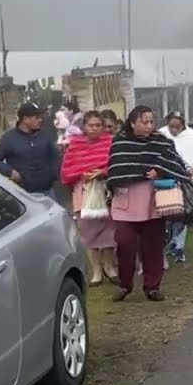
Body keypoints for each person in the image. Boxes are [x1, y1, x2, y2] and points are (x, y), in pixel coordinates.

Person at [107, 105, 191, 302]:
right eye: (144, 122)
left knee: (153, 245)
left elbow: (174, 164)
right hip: (125, 201)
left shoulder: (161, 142)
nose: (149, 126)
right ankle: (125, 284)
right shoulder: (120, 141)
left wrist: (159, 171)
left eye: (152, 122)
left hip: (153, 200)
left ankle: (152, 286)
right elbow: (116, 169)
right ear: (132, 122)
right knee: (125, 243)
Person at [59, 110, 116, 285]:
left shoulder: (111, 143)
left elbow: (116, 165)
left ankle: (109, 267)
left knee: (109, 230)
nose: (95, 128)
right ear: (84, 126)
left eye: (98, 125)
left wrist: (103, 172)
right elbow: (66, 171)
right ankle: (96, 271)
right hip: (83, 192)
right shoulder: (75, 145)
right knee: (89, 232)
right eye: (91, 125)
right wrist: (83, 174)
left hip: (106, 191)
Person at [159, 112, 193, 263]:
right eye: (171, 126)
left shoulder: (191, 136)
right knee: (167, 216)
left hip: (183, 183)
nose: (173, 130)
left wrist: (190, 170)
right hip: (165, 184)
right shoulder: (161, 135)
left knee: (182, 214)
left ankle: (178, 247)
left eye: (177, 127)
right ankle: (166, 245)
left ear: (183, 125)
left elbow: (190, 158)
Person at [0, 102, 60, 199]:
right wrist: (10, 172)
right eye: (36, 117)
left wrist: (53, 173)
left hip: (48, 191)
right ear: (25, 119)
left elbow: (54, 156)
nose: (40, 120)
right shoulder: (9, 138)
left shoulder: (44, 135)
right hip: (23, 195)